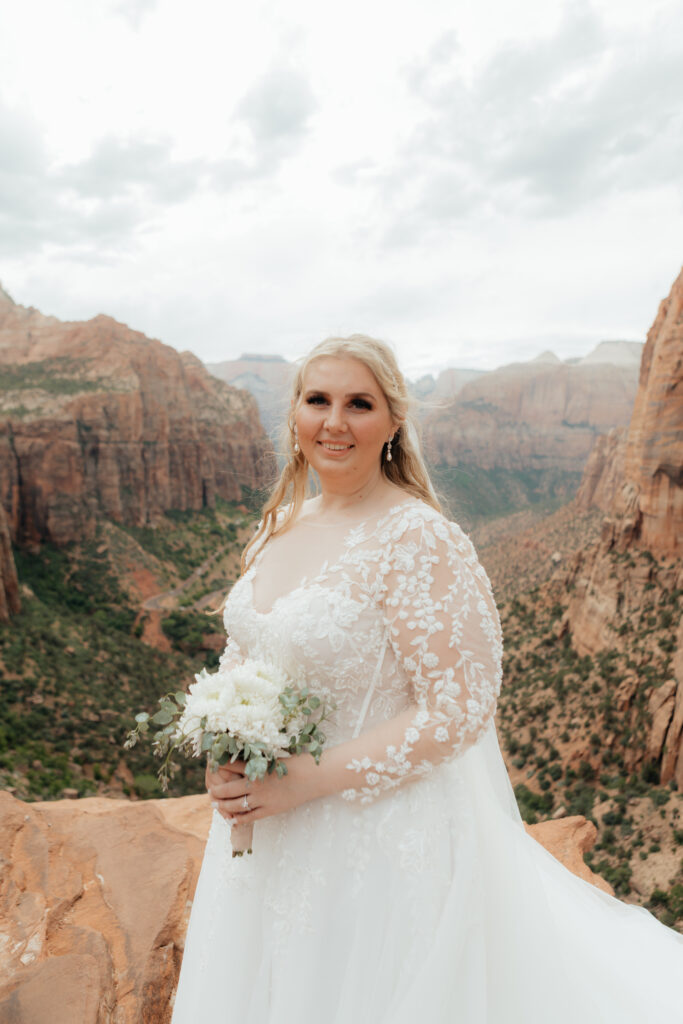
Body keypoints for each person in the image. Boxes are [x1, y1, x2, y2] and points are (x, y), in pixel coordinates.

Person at [171, 334, 683, 1024]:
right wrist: (223, 753)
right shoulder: (278, 527)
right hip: (266, 833)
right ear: (293, 416)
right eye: (317, 400)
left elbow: (458, 709)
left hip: (373, 844)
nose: (334, 422)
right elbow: (245, 657)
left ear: (391, 421)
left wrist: (304, 781)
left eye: (359, 403)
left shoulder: (417, 539)